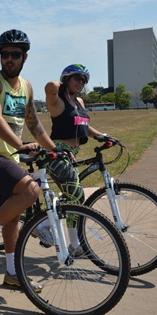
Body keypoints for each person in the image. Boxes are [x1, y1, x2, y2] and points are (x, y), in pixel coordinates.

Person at [0, 29, 57, 292]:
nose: (9, 59)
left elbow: (34, 123)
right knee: (31, 190)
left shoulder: (27, 87)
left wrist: (56, 150)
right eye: (4, 54)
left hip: (8, 158)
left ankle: (12, 274)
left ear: (25, 57)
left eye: (15, 55)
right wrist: (19, 145)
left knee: (11, 216)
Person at [44, 64, 116, 256]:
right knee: (77, 196)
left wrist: (103, 136)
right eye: (77, 78)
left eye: (84, 80)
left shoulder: (80, 103)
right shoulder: (57, 100)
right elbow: (50, 86)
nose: (81, 82)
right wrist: (62, 83)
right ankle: (70, 243)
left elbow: (84, 126)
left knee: (72, 196)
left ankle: (47, 224)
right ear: (66, 78)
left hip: (71, 154)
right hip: (56, 152)